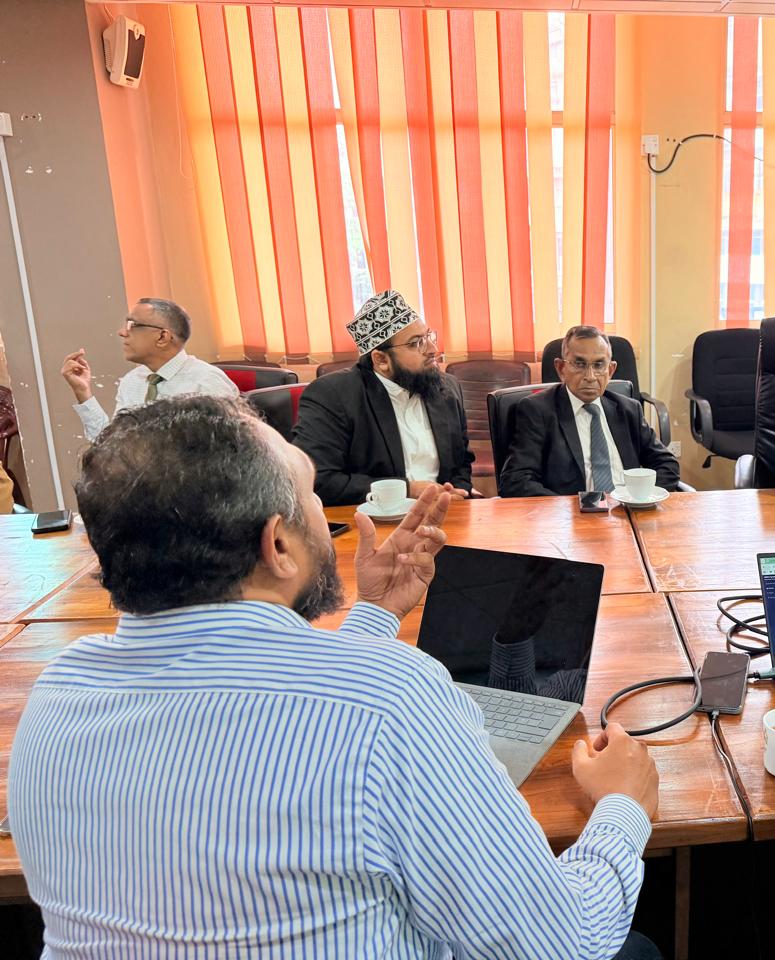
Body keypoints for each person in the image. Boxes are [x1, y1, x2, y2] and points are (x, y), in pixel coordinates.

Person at [9, 394, 662, 960]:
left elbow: (275, 724)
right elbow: (559, 944)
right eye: (313, 497)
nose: (325, 515)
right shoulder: (393, 699)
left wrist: (376, 615)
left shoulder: (60, 690)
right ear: (278, 545)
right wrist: (623, 808)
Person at [293, 290, 474, 506]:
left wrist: (458, 494)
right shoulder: (332, 396)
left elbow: (461, 463)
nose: (432, 349)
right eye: (416, 343)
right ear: (381, 360)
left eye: (428, 336)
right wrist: (407, 490)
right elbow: (318, 480)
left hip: (443, 512)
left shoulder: (447, 388)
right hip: (373, 517)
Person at [500, 325, 680, 498]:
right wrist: (570, 510)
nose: (590, 376)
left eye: (599, 365)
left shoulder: (628, 410)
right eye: (579, 364)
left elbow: (666, 465)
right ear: (561, 368)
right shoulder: (537, 411)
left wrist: (642, 499)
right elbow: (516, 481)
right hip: (571, 514)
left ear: (611, 370)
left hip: (629, 510)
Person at [58, 298, 237, 441]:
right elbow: (111, 446)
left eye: (132, 325)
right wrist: (83, 392)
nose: (122, 332)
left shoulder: (206, 382)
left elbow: (229, 453)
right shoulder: (132, 381)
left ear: (162, 337)